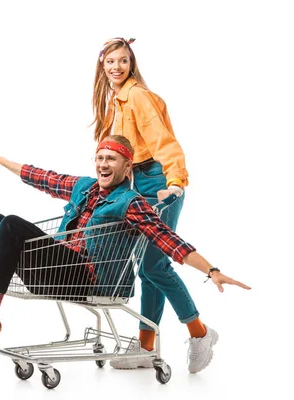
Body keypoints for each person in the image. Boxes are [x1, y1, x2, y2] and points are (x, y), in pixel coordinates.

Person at [0, 135, 250, 373]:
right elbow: (42, 177)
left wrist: (212, 269)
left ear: (127, 167)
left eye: (112, 159)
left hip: (88, 277)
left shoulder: (131, 201)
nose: (103, 163)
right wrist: (2, 160)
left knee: (12, 226)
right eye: (100, 157)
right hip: (59, 266)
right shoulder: (83, 186)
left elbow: (169, 240)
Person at [92, 37, 198, 369]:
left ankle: (199, 333)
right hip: (136, 181)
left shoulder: (136, 97)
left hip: (157, 182)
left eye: (123, 61)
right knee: (146, 269)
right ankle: (145, 347)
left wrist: (175, 183)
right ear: (102, 65)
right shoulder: (116, 100)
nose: (117, 67)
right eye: (111, 62)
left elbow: (165, 143)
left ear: (132, 64)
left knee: (155, 266)